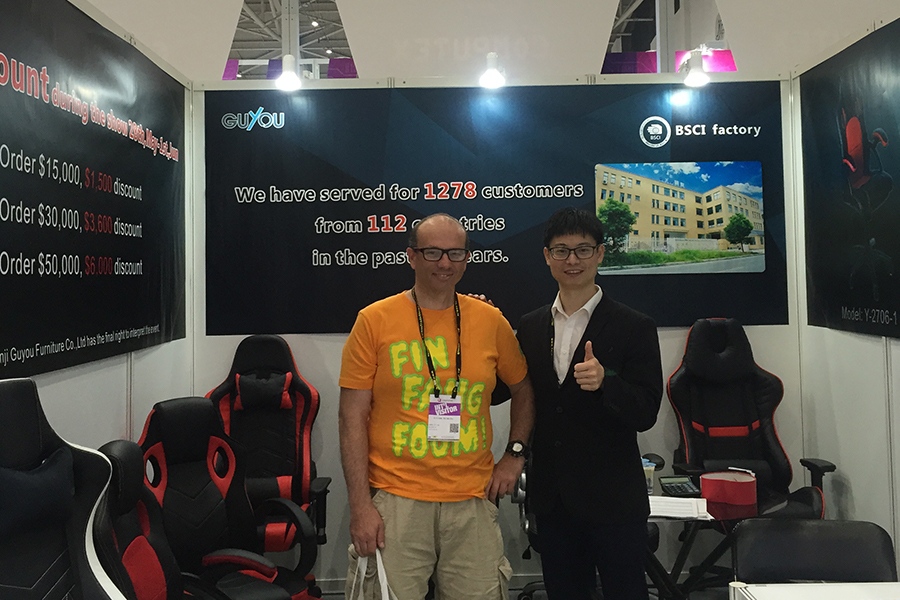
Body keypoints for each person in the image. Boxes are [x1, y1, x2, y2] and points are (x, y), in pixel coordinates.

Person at [339, 213, 535, 600]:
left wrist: (515, 455)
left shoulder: (490, 320)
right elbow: (351, 418)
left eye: (455, 253)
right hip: (396, 499)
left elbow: (524, 390)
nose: (444, 263)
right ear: (412, 256)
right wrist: (360, 506)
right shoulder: (374, 320)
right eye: (432, 252)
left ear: (466, 258)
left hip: (472, 500)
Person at [516, 207, 663, 600]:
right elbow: (506, 391)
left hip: (614, 501)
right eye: (561, 250)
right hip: (553, 500)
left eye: (583, 249)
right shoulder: (530, 326)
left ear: (600, 254)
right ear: (547, 256)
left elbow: (647, 411)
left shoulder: (635, 325)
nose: (572, 260)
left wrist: (605, 383)